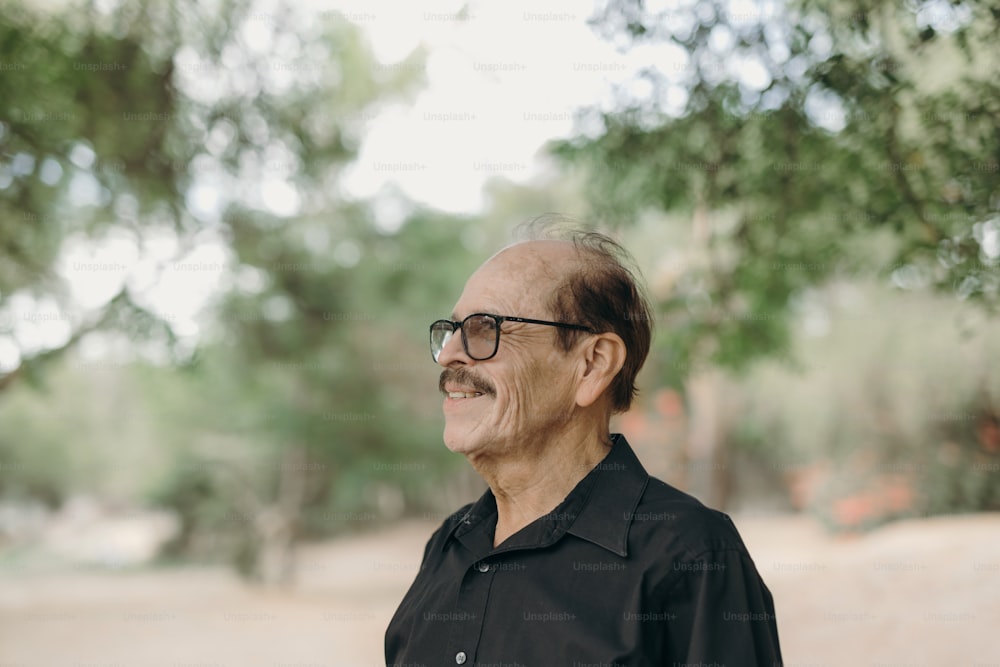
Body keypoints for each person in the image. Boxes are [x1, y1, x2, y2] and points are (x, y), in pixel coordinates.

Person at [384, 223, 783, 666]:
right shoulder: (450, 543)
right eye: (452, 329)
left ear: (592, 365)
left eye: (484, 327)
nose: (448, 355)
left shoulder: (692, 556)